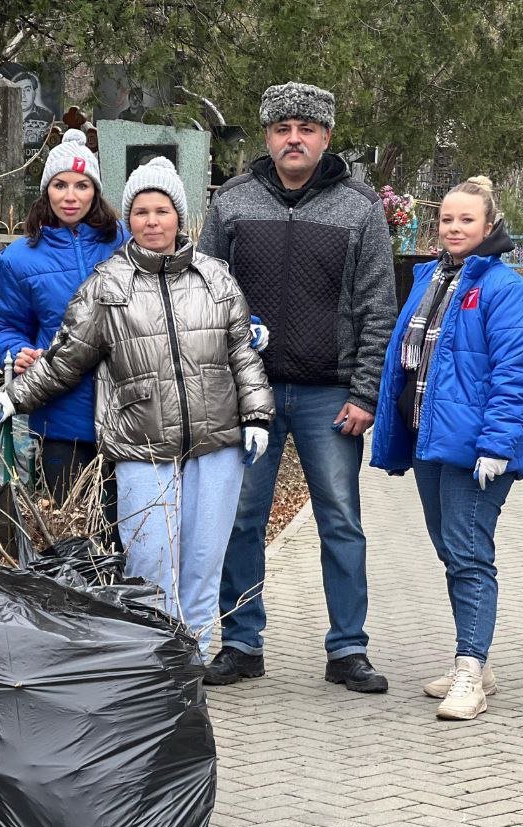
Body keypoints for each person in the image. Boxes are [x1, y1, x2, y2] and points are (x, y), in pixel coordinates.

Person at [0, 159, 275, 656]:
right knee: (149, 560)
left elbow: (240, 354)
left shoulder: (215, 278)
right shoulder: (107, 284)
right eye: (140, 211)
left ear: (179, 217)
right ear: (129, 218)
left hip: (217, 441)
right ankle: (158, 661)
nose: (151, 222)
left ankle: (198, 656)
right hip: (143, 442)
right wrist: (9, 398)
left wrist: (256, 415)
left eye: (162, 211)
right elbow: (65, 359)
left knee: (203, 558)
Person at [197, 81, 396, 693]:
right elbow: (204, 298)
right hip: (247, 393)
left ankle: (347, 649)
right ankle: (240, 641)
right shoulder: (231, 204)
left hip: (327, 395)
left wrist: (364, 394)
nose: (294, 138)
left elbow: (377, 307)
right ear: (267, 136)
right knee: (241, 518)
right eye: (283, 128)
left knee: (340, 519)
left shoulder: (359, 209)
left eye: (306, 129)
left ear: (326, 137)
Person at [371, 177, 523, 720]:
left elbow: (517, 374)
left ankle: (469, 672)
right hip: (432, 442)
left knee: (470, 554)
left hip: (475, 452)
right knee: (453, 552)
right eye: (447, 219)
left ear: (490, 225)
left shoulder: (506, 289)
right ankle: (478, 660)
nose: (454, 228)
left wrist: (498, 444)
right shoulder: (432, 278)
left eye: (467, 220)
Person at [0, 129, 127, 510]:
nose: (71, 196)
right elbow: (9, 326)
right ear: (46, 190)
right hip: (62, 413)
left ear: (95, 191)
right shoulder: (20, 258)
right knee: (74, 533)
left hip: (126, 408)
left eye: (82, 185)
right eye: (61, 184)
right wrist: (16, 352)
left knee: (126, 531)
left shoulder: (123, 243)